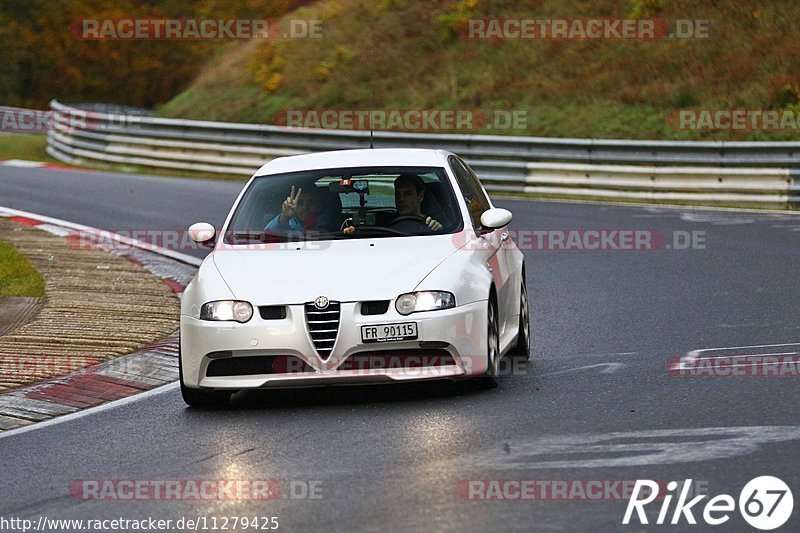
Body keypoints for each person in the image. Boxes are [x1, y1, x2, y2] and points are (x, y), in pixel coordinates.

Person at [265, 185, 335, 232]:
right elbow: (266, 234)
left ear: (317, 205)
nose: (305, 207)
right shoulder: (284, 224)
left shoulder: (327, 223)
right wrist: (284, 217)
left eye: (310, 202)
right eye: (299, 203)